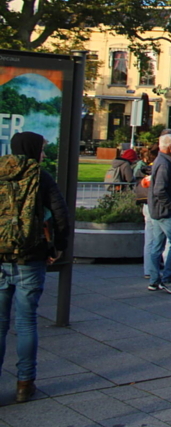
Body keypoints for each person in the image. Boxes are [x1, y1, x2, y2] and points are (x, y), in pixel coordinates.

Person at [0, 132, 70, 403]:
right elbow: (61, 214)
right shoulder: (41, 177)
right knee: (27, 322)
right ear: (31, 150)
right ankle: (24, 384)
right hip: (31, 256)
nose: (42, 154)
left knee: (1, 323)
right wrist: (57, 247)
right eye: (41, 149)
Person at [146, 133, 171, 294]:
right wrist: (170, 205)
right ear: (170, 147)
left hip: (156, 209)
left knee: (157, 246)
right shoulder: (164, 164)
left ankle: (154, 280)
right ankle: (167, 279)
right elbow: (159, 189)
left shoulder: (160, 161)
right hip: (164, 210)